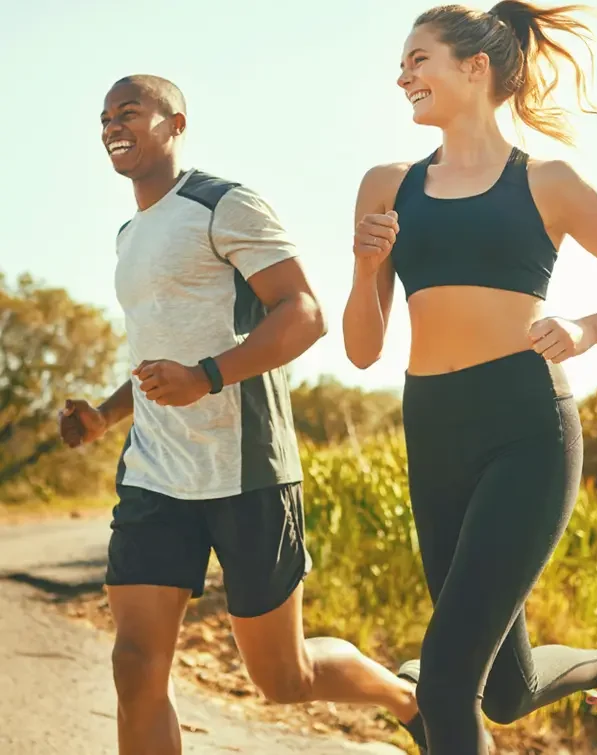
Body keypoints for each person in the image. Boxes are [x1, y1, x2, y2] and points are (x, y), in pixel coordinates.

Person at [342, 2, 597, 754]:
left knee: (442, 681)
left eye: (419, 59)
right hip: (433, 426)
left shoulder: (547, 183)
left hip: (525, 428)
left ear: (474, 68)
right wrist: (365, 264)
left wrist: (589, 328)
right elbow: (362, 350)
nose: (402, 74)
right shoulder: (386, 184)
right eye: (403, 62)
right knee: (503, 690)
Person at [59, 74, 419, 755]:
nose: (112, 124)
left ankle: (409, 698)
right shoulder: (127, 235)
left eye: (129, 112)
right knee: (135, 666)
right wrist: (105, 416)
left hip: (248, 469)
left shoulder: (224, 204)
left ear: (176, 123)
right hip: (157, 476)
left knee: (284, 677)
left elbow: (304, 314)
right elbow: (157, 355)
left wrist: (208, 377)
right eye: (104, 116)